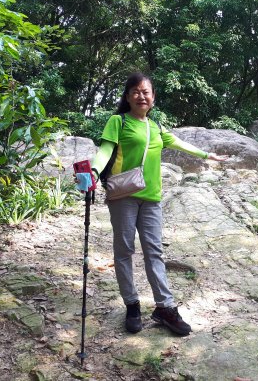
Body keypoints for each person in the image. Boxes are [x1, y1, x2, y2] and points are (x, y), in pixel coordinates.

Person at [90, 72, 227, 336]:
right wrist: (94, 172)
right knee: (124, 250)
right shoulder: (118, 122)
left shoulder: (156, 128)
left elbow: (179, 143)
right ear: (128, 97)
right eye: (136, 92)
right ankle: (132, 305)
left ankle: (165, 307)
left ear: (153, 98)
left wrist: (207, 154)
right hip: (124, 195)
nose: (142, 96)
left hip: (151, 198)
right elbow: (105, 150)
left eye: (146, 92)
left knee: (155, 252)